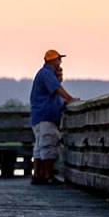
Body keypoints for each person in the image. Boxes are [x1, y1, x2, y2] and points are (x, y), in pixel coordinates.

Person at [29, 49, 78, 185]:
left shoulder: (43, 73)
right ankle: (48, 176)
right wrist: (70, 99)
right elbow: (57, 89)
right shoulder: (47, 73)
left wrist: (64, 102)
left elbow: (55, 97)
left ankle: (38, 175)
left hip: (39, 116)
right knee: (48, 146)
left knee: (39, 147)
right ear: (53, 61)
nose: (60, 62)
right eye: (59, 59)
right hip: (46, 116)